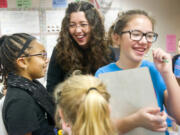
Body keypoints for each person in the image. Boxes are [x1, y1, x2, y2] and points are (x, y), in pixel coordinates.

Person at [95, 10, 180, 134]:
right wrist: (136, 120)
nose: (144, 41)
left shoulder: (155, 70)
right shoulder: (103, 75)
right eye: (135, 34)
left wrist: (168, 73)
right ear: (117, 38)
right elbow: (100, 128)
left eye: (149, 35)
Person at [46, 1, 115, 94]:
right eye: (72, 25)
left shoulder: (107, 51)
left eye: (83, 24)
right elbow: (52, 88)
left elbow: (112, 87)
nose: (78, 30)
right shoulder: (59, 51)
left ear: (94, 26)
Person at [0, 33, 55, 135]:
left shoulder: (31, 88)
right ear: (22, 62)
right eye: (42, 55)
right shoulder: (20, 101)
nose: (46, 60)